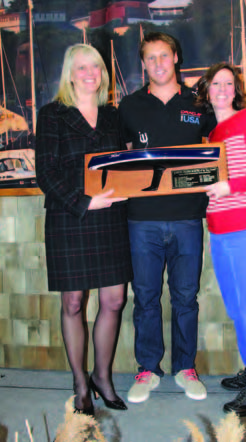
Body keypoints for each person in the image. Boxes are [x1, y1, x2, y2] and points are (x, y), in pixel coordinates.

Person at [118, 32, 216, 403]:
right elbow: (123, 158)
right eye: (150, 58)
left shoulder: (198, 103)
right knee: (144, 297)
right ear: (143, 64)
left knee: (186, 297)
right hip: (141, 219)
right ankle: (147, 369)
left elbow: (216, 153)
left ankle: (185, 367)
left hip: (189, 217)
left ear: (175, 57)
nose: (158, 63)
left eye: (164, 55)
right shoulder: (128, 107)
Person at [35, 44, 133, 415]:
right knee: (73, 303)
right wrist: (85, 201)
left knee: (114, 301)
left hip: (110, 220)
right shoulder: (52, 115)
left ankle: (102, 376)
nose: (90, 72)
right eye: (81, 67)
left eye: (95, 66)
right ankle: (80, 383)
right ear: (69, 73)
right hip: (70, 217)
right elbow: (46, 173)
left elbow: (125, 163)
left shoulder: (113, 115)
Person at [196, 62, 246, 417]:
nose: (223, 88)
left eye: (230, 83)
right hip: (220, 232)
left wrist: (230, 186)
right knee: (238, 310)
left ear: (237, 89)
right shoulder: (212, 135)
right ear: (207, 89)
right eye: (217, 83)